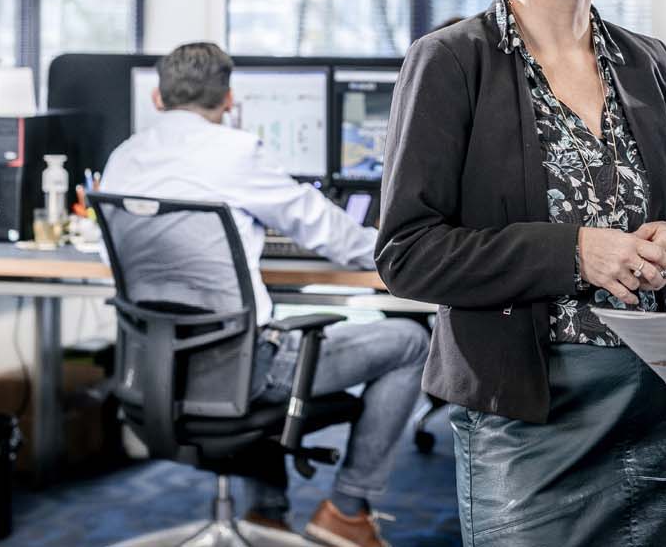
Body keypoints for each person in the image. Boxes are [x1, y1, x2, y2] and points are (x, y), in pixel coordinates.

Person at [377, 0, 666, 546]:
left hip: (650, 401)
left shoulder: (649, 62)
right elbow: (406, 253)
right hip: (528, 413)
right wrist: (574, 252)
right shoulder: (451, 61)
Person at [100, 42, 426, 547]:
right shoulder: (235, 152)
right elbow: (331, 235)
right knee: (410, 341)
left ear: (157, 98)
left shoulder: (123, 157)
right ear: (228, 100)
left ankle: (266, 513)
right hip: (245, 374)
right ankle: (347, 507)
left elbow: (119, 257)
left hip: (153, 371)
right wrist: (409, 251)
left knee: (247, 335)